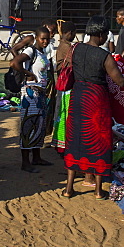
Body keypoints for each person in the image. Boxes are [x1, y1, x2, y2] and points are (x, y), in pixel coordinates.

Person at [63, 15, 124, 199]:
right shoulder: (104, 56)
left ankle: (69, 188)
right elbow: (121, 82)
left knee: (75, 138)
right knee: (100, 142)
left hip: (78, 97)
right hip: (96, 101)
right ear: (101, 35)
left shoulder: (75, 49)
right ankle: (97, 190)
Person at [11, 26, 54, 172]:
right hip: (30, 94)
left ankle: (36, 157)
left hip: (40, 94)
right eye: (43, 38)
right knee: (28, 126)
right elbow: (14, 63)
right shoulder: (31, 51)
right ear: (36, 38)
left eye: (47, 39)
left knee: (39, 125)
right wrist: (27, 73)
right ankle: (25, 162)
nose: (45, 41)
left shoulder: (42, 52)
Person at [52, 21, 78, 153]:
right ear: (70, 33)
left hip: (62, 84)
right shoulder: (68, 47)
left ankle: (60, 143)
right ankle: (63, 145)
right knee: (66, 116)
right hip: (68, 85)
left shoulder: (61, 45)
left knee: (61, 115)